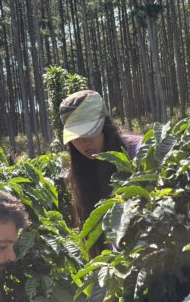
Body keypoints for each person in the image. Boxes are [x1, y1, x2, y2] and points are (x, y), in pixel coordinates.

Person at [59, 89, 143, 229]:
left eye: (90, 131)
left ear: (104, 126)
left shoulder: (138, 151)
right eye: (77, 136)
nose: (85, 141)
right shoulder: (82, 169)